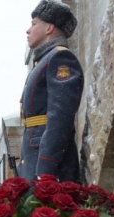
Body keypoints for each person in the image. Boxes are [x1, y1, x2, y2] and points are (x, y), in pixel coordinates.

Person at [18, 0, 83, 183]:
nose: (28, 30)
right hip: (34, 160)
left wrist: (46, 169)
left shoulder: (60, 58)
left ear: (49, 28)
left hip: (47, 167)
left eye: (34, 24)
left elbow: (60, 118)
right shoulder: (44, 61)